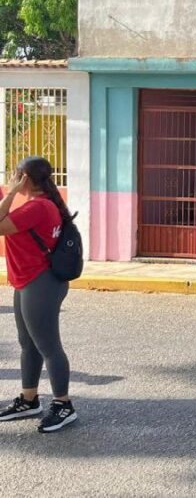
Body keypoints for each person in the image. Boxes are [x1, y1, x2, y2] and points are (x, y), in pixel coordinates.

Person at [0, 157, 78, 433]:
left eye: (16, 175)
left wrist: (11, 191)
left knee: (48, 346)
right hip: (28, 281)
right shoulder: (41, 203)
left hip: (40, 283)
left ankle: (63, 405)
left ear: (25, 179)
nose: (12, 178)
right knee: (28, 344)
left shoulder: (38, 207)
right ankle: (29, 399)